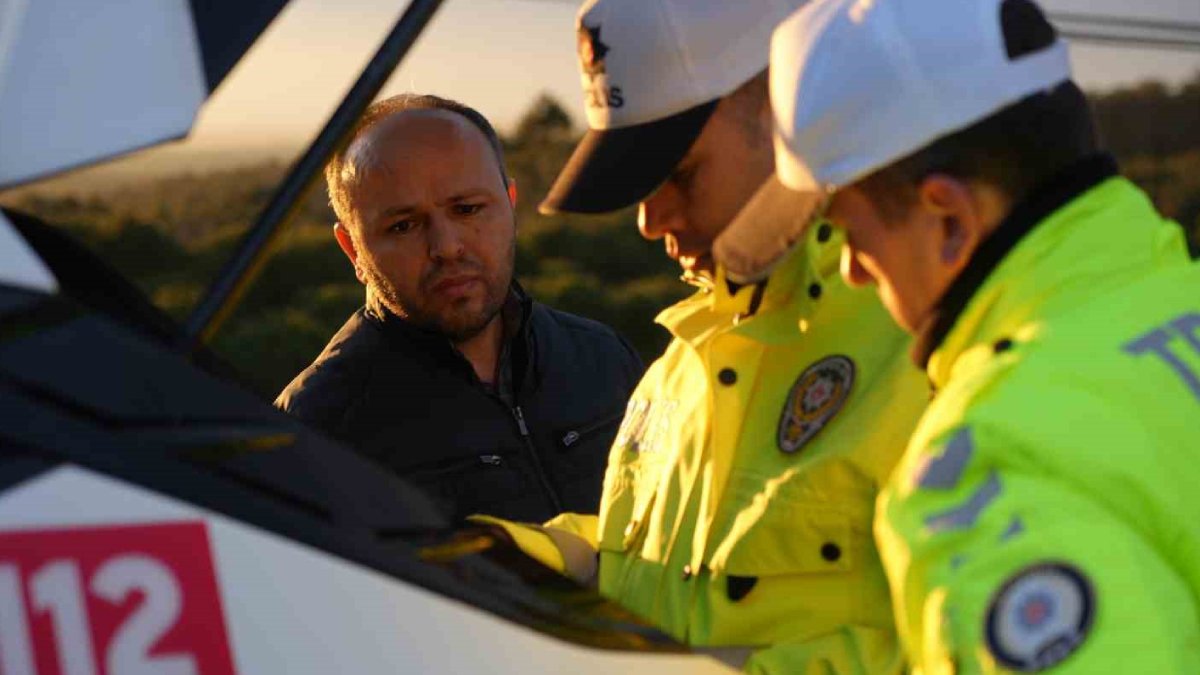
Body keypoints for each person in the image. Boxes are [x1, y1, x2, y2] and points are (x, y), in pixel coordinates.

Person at [716, 0, 1200, 671]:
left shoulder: (985, 472)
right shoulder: (1177, 295)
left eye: (852, 233)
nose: (853, 271)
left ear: (947, 219)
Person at [477, 0, 930, 672]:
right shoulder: (685, 359)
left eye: (679, 173)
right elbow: (670, 564)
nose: (649, 219)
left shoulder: (927, 345)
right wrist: (506, 557)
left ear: (788, 107)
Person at [276, 94, 643, 524]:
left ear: (510, 204)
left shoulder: (603, 357)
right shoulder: (314, 429)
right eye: (403, 226)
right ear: (352, 249)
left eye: (467, 209)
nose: (447, 247)